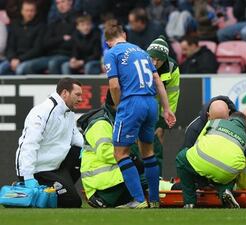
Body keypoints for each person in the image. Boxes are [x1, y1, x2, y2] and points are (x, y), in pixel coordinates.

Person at [103, 20, 176, 209]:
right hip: (151, 104)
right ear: (124, 36)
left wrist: (120, 106)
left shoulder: (112, 53)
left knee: (120, 153)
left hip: (132, 103)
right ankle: (154, 199)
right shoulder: (142, 52)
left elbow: (114, 85)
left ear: (108, 41)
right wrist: (166, 109)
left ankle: (138, 200)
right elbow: (158, 81)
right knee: (148, 152)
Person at [78, 90, 172, 208]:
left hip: (112, 181)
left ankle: (167, 191)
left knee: (149, 177)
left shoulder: (119, 120)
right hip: (102, 188)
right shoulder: (100, 123)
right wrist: (132, 159)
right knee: (148, 178)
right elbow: (105, 153)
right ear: (117, 102)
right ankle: (173, 190)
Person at [15, 77, 84, 208]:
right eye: (77, 95)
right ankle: (25, 190)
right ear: (64, 93)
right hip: (38, 171)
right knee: (73, 202)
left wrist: (94, 149)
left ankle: (57, 190)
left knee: (81, 152)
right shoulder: (42, 111)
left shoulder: (68, 113)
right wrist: (28, 177)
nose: (80, 99)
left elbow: (77, 139)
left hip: (55, 168)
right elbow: (28, 145)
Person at [176, 112, 246, 208]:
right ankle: (225, 191)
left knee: (181, 158)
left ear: (229, 119)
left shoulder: (214, 123)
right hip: (225, 173)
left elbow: (198, 143)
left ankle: (189, 202)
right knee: (231, 172)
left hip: (201, 161)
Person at [147, 35, 180, 144]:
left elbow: (172, 97)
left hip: (160, 106)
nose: (155, 63)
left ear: (165, 59)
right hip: (141, 105)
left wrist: (162, 125)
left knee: (158, 138)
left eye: (159, 60)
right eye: (152, 59)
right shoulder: (140, 62)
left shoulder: (172, 68)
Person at [0, 0, 44, 75]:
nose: (29, 13)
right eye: (27, 10)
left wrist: (20, 60)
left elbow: (37, 49)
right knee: (2, 68)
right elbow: (10, 46)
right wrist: (12, 59)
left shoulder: (41, 26)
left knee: (20, 70)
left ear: (35, 12)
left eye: (31, 11)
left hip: (30, 58)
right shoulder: (15, 25)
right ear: (22, 11)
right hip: (15, 58)